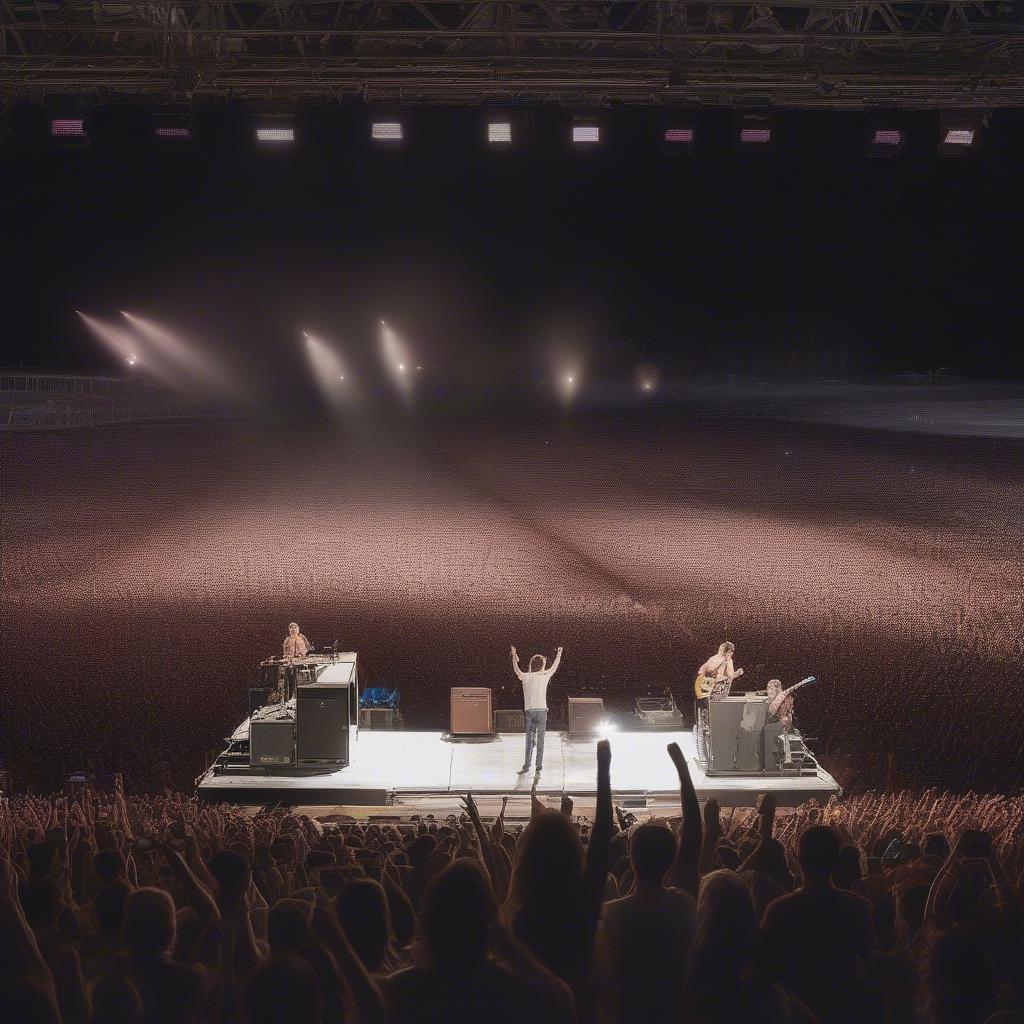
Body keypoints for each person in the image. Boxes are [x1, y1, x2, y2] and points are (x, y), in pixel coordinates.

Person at [760, 825, 877, 1024]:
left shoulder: (779, 909)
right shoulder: (858, 907)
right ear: (836, 860)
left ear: (798, 858)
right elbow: (872, 965)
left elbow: (762, 972)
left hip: (793, 1014)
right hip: (842, 1012)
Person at [511, 645, 562, 778]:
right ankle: (538, 768)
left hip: (530, 711)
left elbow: (516, 669)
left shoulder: (525, 676)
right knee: (540, 740)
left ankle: (527, 766)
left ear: (531, 665)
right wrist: (559, 654)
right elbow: (554, 667)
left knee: (529, 740)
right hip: (541, 711)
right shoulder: (544, 675)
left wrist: (514, 656)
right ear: (542, 665)